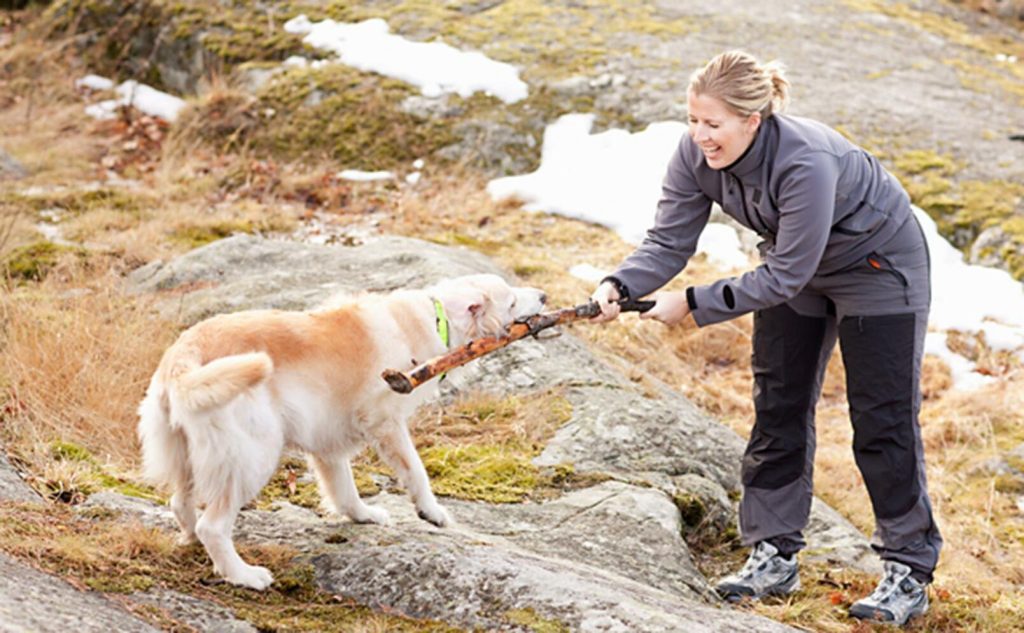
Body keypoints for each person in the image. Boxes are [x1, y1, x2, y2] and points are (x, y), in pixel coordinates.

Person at [590, 50, 942, 626]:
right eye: (693, 120)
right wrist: (619, 283)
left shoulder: (805, 161)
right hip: (795, 267)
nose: (700, 136)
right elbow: (669, 241)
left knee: (882, 422)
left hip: (878, 270)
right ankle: (773, 555)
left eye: (714, 124)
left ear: (753, 120)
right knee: (777, 403)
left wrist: (692, 304)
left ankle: (908, 570)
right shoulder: (694, 154)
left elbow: (784, 277)